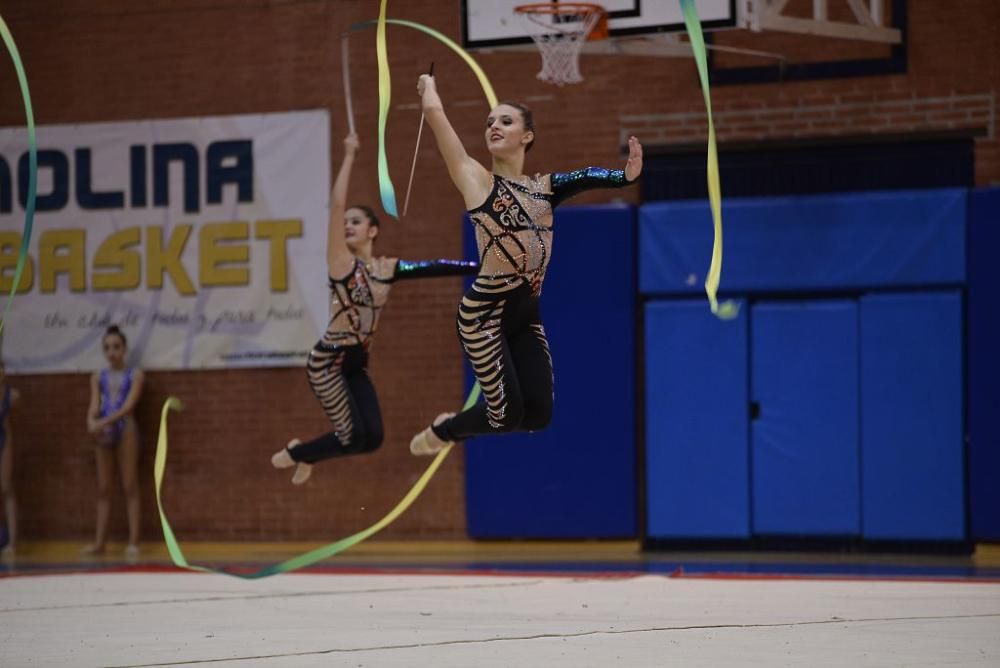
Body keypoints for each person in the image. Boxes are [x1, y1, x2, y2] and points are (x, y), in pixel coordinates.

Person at [409, 75, 643, 455]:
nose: (494, 127)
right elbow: (437, 119)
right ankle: (444, 431)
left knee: (537, 416)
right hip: (483, 314)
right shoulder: (477, 180)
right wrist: (428, 88)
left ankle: (450, 428)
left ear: (527, 136)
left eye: (505, 121)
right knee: (504, 416)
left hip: (525, 314)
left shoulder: (545, 188)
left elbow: (584, 177)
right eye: (489, 122)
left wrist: (624, 175)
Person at [270, 133, 477, 484]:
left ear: (373, 230)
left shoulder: (386, 269)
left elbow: (432, 267)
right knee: (351, 435)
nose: (348, 225)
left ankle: (307, 454)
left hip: (357, 362)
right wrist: (349, 154)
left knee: (373, 439)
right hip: (328, 362)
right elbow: (335, 205)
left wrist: (478, 268)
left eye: (357, 221)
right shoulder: (340, 264)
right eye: (346, 222)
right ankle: (298, 454)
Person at [84, 325, 144, 559]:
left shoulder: (135, 375)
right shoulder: (98, 377)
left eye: (116, 347)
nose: (112, 352)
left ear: (125, 349)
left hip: (124, 427)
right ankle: (100, 543)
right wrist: (91, 421)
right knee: (103, 487)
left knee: (130, 484)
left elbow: (129, 406)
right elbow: (94, 404)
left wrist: (103, 422)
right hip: (104, 430)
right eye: (107, 347)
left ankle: (134, 541)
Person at [0, 362, 19, 560]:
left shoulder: (11, 395)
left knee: (6, 488)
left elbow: (8, 427)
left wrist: (8, 450)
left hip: (4, 439)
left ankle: (12, 541)